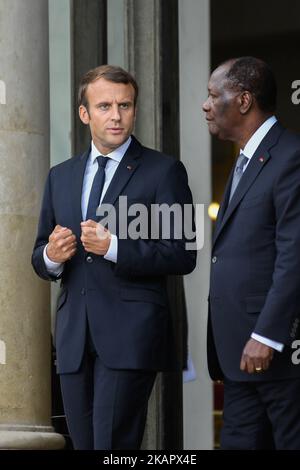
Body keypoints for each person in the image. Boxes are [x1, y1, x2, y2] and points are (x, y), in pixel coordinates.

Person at [32, 65, 196, 450]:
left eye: (125, 105)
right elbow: (40, 258)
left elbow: (183, 253)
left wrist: (115, 246)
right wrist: (52, 256)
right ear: (84, 113)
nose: (116, 115)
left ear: (135, 110)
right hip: (74, 337)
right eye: (104, 106)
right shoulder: (60, 176)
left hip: (130, 334)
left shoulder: (165, 170)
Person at [203, 56, 300, 450]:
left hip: (275, 354)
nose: (205, 104)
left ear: (243, 101)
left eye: (213, 95)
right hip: (239, 357)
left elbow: (294, 254)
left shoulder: (291, 157)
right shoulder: (244, 159)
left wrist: (267, 334)